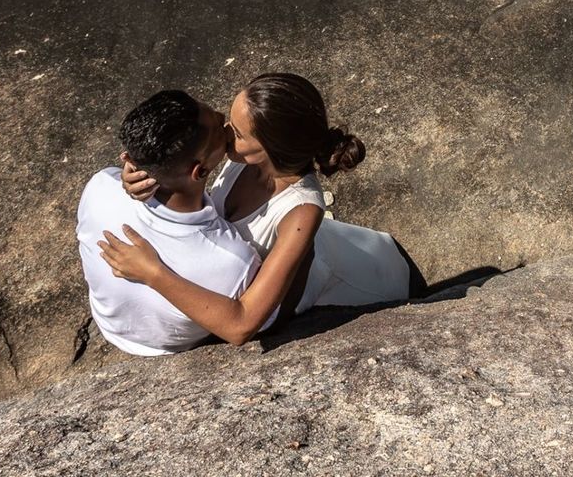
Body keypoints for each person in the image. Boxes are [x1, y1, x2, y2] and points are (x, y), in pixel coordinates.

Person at [97, 72, 414, 345]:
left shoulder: (303, 211)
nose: (221, 130)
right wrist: (145, 175)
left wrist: (153, 273)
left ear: (269, 149)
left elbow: (242, 325)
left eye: (235, 131)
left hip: (361, 281)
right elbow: (187, 168)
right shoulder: (242, 157)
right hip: (334, 246)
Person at [75, 89, 272, 356]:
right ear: (200, 171)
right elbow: (244, 322)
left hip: (111, 322)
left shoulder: (99, 187)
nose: (223, 118)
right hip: (163, 346)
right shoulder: (232, 261)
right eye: (218, 127)